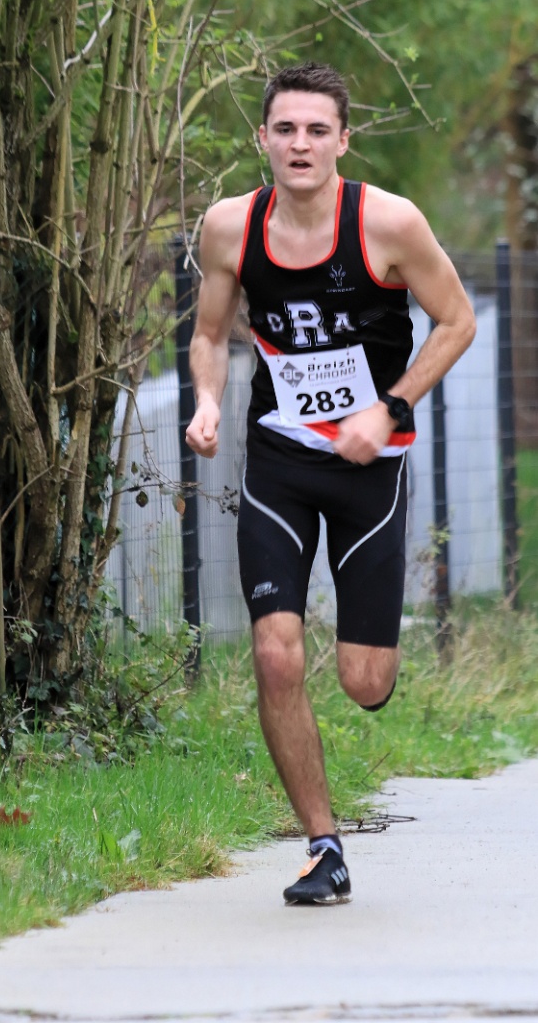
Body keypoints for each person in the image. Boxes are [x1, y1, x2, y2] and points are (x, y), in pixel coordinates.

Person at [185, 62, 476, 906]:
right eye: (285, 129)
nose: (300, 144)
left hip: (367, 468)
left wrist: (388, 409)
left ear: (343, 140)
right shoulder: (229, 227)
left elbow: (455, 321)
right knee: (275, 654)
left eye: (317, 130)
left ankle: (373, 662)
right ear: (262, 138)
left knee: (363, 681)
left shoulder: (388, 222)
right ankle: (323, 847)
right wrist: (207, 400)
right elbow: (208, 333)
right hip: (279, 461)